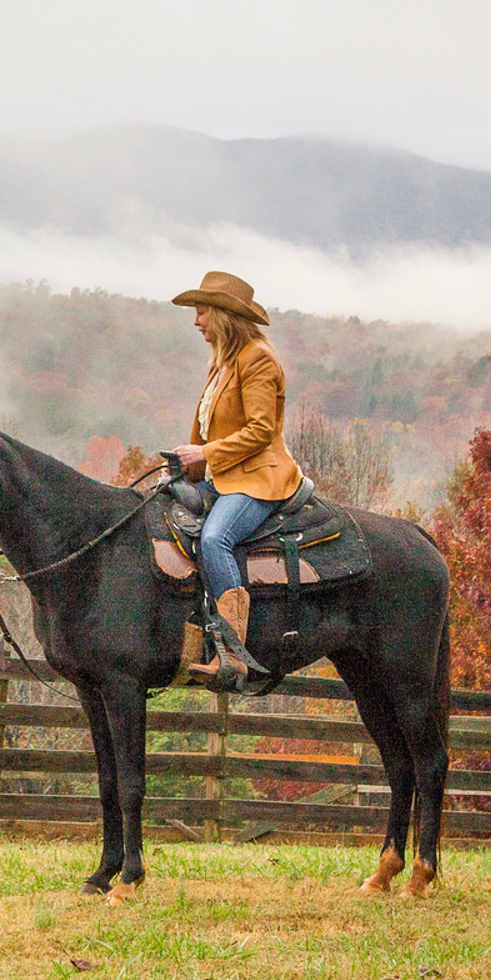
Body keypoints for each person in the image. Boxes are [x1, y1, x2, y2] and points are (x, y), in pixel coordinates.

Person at [165, 271, 302, 694]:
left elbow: (262, 430)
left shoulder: (258, 358)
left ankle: (232, 653)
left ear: (223, 315)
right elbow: (208, 428)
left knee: (214, 539)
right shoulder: (222, 362)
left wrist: (206, 454)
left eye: (202, 312)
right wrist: (186, 464)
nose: (196, 322)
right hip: (226, 476)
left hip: (260, 478)